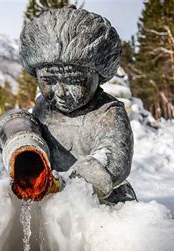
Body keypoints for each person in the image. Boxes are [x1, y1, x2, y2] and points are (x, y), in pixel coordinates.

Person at [19, 7, 136, 204]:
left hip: (101, 204)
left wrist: (70, 184)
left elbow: (114, 158)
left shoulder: (108, 113)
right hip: (51, 201)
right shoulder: (43, 108)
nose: (62, 93)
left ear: (98, 76)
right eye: (49, 80)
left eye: (74, 80)